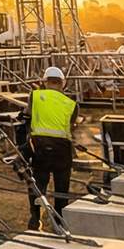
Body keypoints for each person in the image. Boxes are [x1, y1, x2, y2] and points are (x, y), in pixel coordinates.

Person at [24, 67, 78, 231]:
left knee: (38, 185)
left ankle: (35, 219)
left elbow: (28, 115)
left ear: (44, 82)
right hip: (63, 149)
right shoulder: (71, 104)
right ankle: (60, 223)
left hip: (40, 147)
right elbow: (70, 125)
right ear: (63, 84)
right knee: (62, 187)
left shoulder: (35, 96)